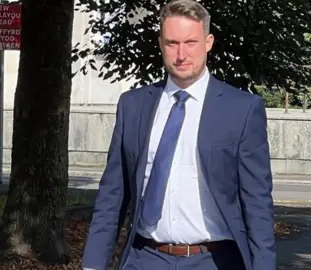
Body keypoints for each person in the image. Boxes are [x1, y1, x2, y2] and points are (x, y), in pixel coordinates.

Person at [82, 0, 275, 269]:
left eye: (191, 42)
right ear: (161, 43)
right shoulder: (133, 106)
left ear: (208, 42)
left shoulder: (242, 109)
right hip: (144, 257)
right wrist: (93, 264)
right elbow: (112, 195)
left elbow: (257, 202)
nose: (181, 54)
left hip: (214, 260)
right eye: (172, 43)